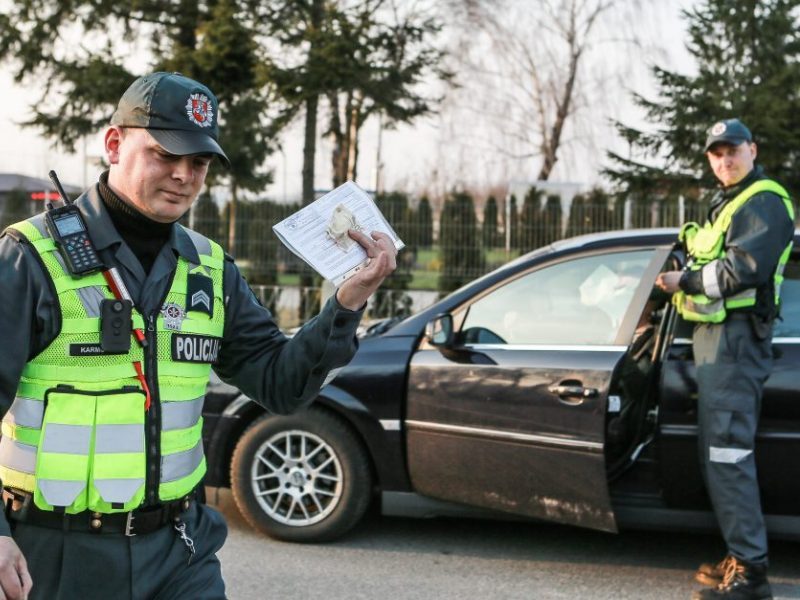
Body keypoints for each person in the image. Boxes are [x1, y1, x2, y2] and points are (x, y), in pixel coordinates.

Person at [0, 72, 397, 599]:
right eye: (166, 154)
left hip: (179, 553)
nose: (184, 175)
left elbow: (281, 384)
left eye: (199, 162)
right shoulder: (30, 257)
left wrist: (346, 303)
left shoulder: (210, 269)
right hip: (56, 555)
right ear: (114, 144)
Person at [656, 118, 794, 600]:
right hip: (714, 340)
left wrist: (684, 283)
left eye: (732, 150)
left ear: (752, 150)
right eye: (716, 154)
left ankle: (751, 576)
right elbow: (698, 254)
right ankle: (739, 557)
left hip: (737, 341)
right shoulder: (726, 204)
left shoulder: (764, 201)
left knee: (728, 454)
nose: (724, 161)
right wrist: (675, 268)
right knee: (719, 455)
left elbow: (743, 270)